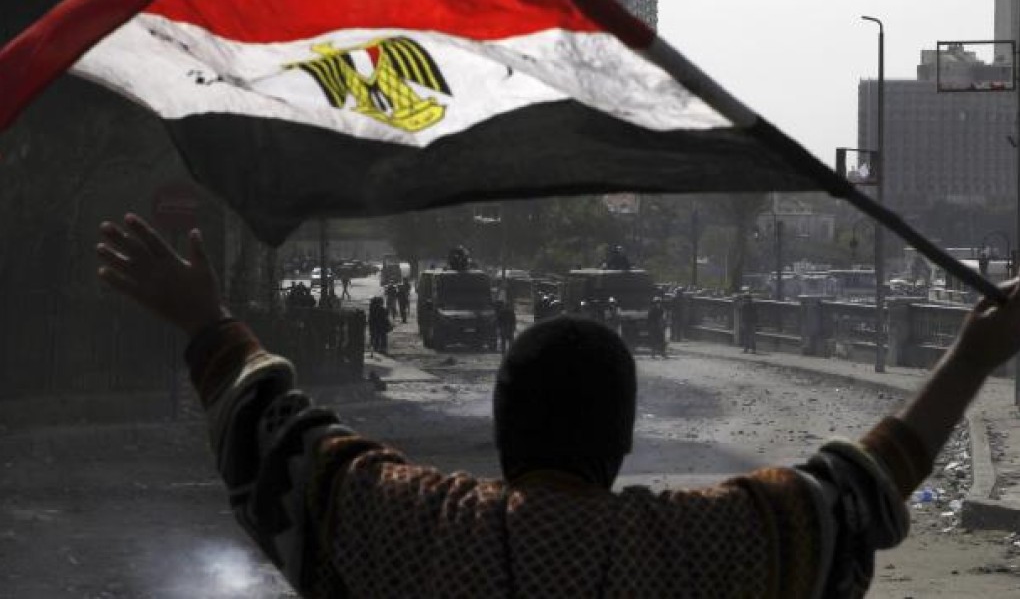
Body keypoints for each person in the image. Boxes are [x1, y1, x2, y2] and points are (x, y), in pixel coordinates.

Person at [96, 212, 1020, 598]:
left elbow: (275, 434)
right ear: (621, 439)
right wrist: (976, 352)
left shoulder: (416, 530)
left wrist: (204, 318)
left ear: (500, 429)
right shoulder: (705, 549)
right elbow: (862, 487)